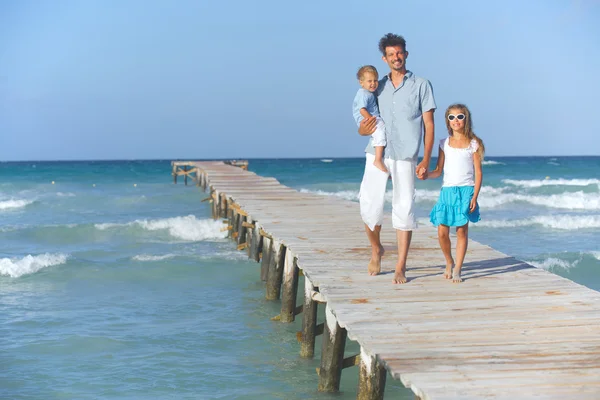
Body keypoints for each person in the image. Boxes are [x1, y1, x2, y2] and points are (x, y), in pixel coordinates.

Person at [358, 33, 436, 284]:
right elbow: (363, 124)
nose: (396, 57)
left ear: (406, 54)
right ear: (384, 58)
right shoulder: (376, 86)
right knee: (369, 205)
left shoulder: (422, 85)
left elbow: (429, 124)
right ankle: (376, 249)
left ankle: (401, 265)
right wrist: (362, 129)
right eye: (391, 54)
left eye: (399, 53)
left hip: (406, 155)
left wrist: (426, 159)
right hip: (377, 151)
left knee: (404, 209)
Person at [427, 104, 484, 283]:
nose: (456, 120)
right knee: (442, 231)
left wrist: (474, 196)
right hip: (447, 191)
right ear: (447, 121)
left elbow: (478, 172)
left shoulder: (474, 144)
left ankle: (458, 268)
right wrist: (427, 174)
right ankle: (449, 261)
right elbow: (438, 170)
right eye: (451, 117)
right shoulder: (444, 143)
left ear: (466, 119)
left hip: (466, 190)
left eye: (460, 116)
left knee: (461, 231)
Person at [353, 65, 387, 173]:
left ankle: (382, 161)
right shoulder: (364, 94)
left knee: (378, 136)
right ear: (361, 82)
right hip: (369, 118)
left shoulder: (368, 93)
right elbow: (362, 109)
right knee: (381, 131)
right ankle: (377, 160)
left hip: (371, 117)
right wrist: (371, 119)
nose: (373, 83)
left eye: (375, 80)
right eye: (369, 81)